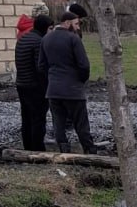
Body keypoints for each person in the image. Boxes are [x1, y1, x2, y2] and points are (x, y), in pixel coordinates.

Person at [40, 12, 96, 154]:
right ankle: (90, 152)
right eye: (76, 24)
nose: (78, 28)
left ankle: (64, 151)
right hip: (73, 90)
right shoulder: (73, 39)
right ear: (67, 23)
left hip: (54, 90)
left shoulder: (46, 39)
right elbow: (84, 65)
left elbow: (41, 66)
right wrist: (80, 81)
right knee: (81, 124)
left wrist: (52, 78)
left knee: (58, 123)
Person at [14, 14, 53, 151]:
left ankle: (28, 146)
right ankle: (37, 149)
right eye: (50, 28)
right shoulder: (38, 41)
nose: (51, 32)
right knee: (38, 118)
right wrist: (46, 88)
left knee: (26, 118)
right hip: (35, 87)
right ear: (44, 28)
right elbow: (40, 68)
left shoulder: (23, 38)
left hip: (21, 84)